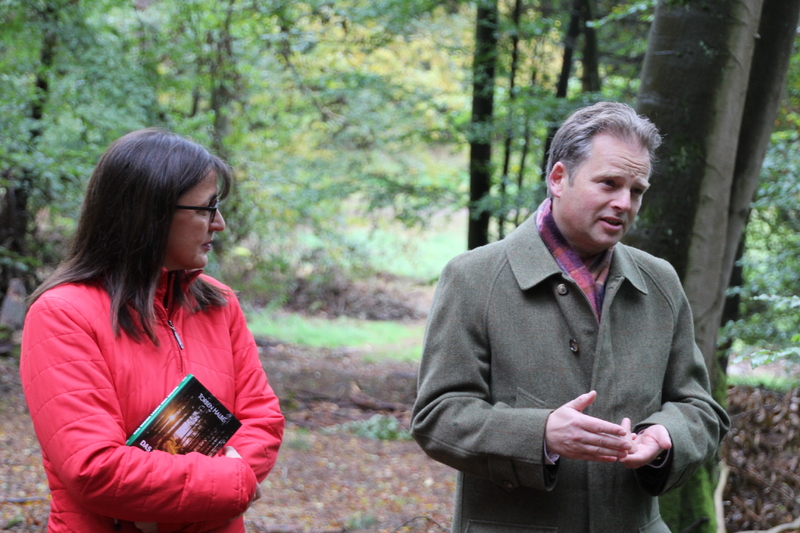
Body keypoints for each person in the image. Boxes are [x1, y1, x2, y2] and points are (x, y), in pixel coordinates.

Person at [411, 102, 729, 532]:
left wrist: (666, 435)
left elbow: (700, 409)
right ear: (559, 179)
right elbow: (437, 416)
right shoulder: (473, 279)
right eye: (609, 184)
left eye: (636, 190)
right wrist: (540, 435)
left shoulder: (659, 283)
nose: (624, 203)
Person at [20, 129, 284, 533]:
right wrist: (228, 481)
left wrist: (230, 477)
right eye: (206, 208)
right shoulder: (63, 314)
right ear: (151, 213)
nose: (220, 224)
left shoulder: (218, 303)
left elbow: (262, 418)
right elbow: (93, 468)